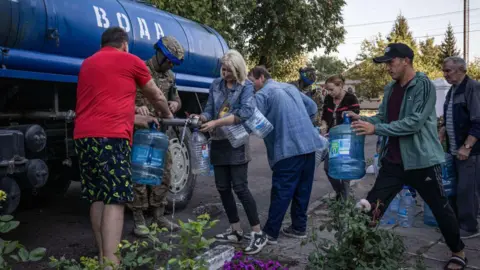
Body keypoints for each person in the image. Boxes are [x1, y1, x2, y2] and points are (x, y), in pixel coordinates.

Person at [347, 43, 467, 270]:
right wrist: (361, 119)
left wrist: (377, 129)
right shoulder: (391, 89)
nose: (387, 68)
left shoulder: (424, 86)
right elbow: (382, 117)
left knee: (441, 209)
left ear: (406, 60)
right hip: (393, 161)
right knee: (371, 205)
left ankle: (458, 252)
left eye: (390, 62)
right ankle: (357, 250)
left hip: (422, 161)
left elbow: (413, 123)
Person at [74, 27, 172, 265]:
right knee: (115, 200)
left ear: (103, 45)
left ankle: (102, 257)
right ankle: (112, 264)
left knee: (97, 197)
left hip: (84, 137)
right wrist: (167, 116)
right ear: (125, 45)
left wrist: (137, 119)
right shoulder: (132, 61)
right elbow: (156, 96)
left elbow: (104, 105)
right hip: (112, 139)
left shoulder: (87, 64)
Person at [192, 50, 266, 255]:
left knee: (240, 188)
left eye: (229, 71)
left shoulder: (246, 86)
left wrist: (217, 121)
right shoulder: (216, 84)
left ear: (238, 69)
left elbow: (245, 113)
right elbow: (209, 108)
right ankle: (235, 229)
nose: (224, 74)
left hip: (237, 143)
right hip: (218, 141)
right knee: (223, 187)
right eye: (223, 70)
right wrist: (203, 117)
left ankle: (257, 232)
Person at [248, 66, 323, 244]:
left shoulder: (262, 95)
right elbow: (312, 107)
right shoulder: (289, 88)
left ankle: (271, 233)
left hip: (288, 148)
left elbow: (250, 120)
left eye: (251, 80)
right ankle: (298, 228)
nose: (251, 85)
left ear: (260, 78)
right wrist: (300, 121)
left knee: (282, 190)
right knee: (302, 190)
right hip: (310, 145)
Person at [128, 36, 185, 236]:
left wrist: (175, 105)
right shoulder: (139, 69)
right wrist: (136, 108)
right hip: (140, 133)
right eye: (169, 60)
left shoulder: (170, 76)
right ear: (159, 53)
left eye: (173, 63)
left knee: (163, 172)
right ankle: (139, 219)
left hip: (161, 133)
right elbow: (123, 97)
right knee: (140, 174)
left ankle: (159, 216)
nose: (170, 65)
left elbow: (176, 98)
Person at [439, 56, 480, 239]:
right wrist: (443, 129)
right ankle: (458, 222)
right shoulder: (453, 90)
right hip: (455, 149)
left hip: (469, 151)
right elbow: (451, 114)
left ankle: (470, 227)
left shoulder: (473, 88)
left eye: (448, 70)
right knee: (457, 188)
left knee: (467, 189)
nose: (445, 74)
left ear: (461, 69)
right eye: (444, 70)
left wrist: (467, 146)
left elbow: (478, 122)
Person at [320, 74, 360, 200]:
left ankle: (345, 201)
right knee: (328, 167)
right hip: (331, 139)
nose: (329, 92)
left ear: (340, 86)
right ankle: (340, 192)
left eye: (332, 89)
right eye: (328, 90)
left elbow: (355, 118)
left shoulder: (350, 99)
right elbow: (325, 117)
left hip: (346, 140)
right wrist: (323, 126)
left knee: (345, 169)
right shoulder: (328, 99)